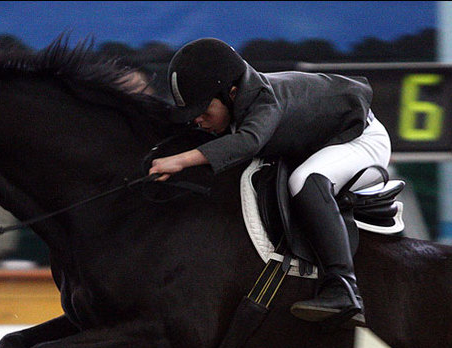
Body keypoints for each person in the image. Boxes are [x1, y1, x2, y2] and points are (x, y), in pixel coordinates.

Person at [148, 38, 392, 327]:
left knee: (306, 180)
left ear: (232, 92)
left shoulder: (264, 100)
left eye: (204, 112)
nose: (199, 121)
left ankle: (344, 289)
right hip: (321, 140)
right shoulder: (236, 100)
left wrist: (180, 160)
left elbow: (249, 142)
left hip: (362, 140)